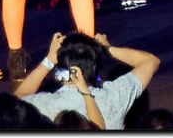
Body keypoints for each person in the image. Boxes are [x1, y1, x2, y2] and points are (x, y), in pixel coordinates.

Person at [16, 32, 160, 130]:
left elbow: (18, 97)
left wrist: (49, 60)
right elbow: (151, 61)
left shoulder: (44, 104)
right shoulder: (113, 96)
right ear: (96, 68)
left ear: (61, 70)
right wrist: (107, 48)